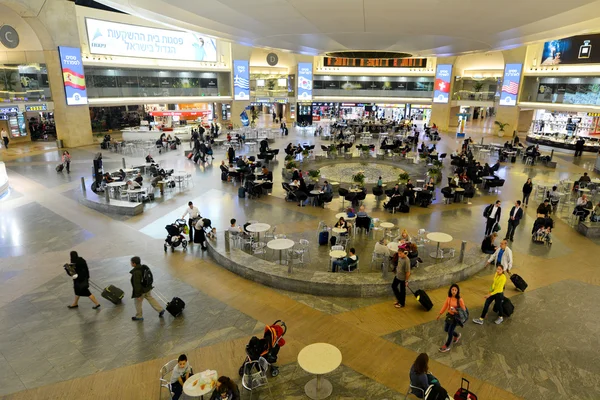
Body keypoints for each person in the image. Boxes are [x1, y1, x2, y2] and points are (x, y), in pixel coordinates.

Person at [130, 256, 165, 321]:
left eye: (131, 262)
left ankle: (139, 316)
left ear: (134, 263)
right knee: (150, 298)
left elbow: (137, 285)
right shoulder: (144, 267)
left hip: (141, 290)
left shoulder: (136, 272)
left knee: (137, 303)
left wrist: (137, 295)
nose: (131, 263)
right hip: (147, 288)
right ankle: (160, 309)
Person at [436, 284, 466, 352]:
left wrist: (456, 311)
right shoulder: (449, 298)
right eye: (452, 289)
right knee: (446, 329)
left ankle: (447, 346)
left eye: (455, 290)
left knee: (450, 332)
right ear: (450, 290)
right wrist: (440, 314)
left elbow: (463, 310)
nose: (454, 291)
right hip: (449, 316)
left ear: (457, 291)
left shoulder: (460, 300)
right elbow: (445, 305)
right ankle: (457, 335)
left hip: (455, 317)